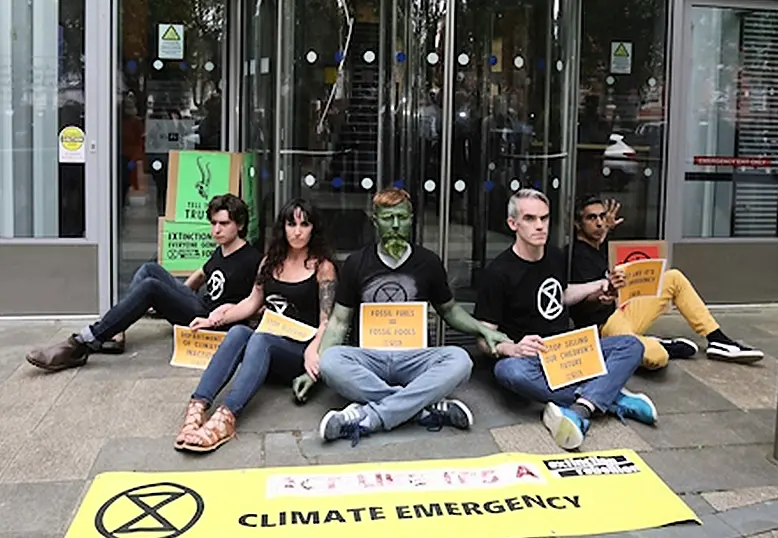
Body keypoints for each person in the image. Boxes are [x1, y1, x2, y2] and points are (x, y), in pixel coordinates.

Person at [293, 187, 508, 445]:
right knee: (331, 360)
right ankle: (421, 408)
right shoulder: (356, 263)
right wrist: (315, 371)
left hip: (414, 360)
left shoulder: (428, 262)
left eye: (402, 218)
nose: (395, 225)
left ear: (411, 218)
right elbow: (339, 322)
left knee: (460, 360)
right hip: (370, 358)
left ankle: (367, 415)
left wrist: (482, 330)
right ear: (375, 221)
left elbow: (449, 309)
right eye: (387, 218)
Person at [475, 188, 657, 451]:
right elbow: (483, 335)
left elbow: (559, 295)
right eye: (530, 219)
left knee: (632, 346)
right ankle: (609, 397)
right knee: (508, 372)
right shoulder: (498, 273)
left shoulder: (555, 256)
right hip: (532, 358)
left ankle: (582, 408)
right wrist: (511, 348)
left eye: (545, 218)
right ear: (513, 224)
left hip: (569, 349)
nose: (540, 226)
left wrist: (601, 285)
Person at [26, 194, 262, 372]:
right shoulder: (222, 251)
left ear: (239, 225)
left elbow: (259, 303)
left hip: (212, 321)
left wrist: (222, 313)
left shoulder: (252, 259)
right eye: (213, 223)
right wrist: (178, 295)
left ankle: (83, 343)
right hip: (196, 305)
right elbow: (201, 274)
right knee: (150, 268)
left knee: (151, 287)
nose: (216, 230)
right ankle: (117, 330)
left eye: (223, 224)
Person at [173, 199, 337, 452]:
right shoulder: (270, 262)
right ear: (282, 227)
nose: (297, 231)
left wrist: (312, 351)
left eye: (304, 224)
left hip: (298, 352)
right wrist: (212, 320)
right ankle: (198, 406)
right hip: (266, 345)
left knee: (260, 338)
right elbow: (251, 303)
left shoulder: (322, 267)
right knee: (240, 331)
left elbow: (327, 320)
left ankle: (226, 417)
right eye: (291, 224)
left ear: (314, 229)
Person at [567, 196, 764, 369]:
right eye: (591, 218)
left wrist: (607, 230)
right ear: (578, 224)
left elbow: (598, 239)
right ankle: (657, 345)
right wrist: (603, 297)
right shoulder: (575, 255)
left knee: (673, 278)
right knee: (656, 357)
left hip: (621, 312)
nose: (600, 223)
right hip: (604, 328)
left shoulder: (596, 245)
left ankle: (718, 340)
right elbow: (579, 302)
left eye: (602, 216)